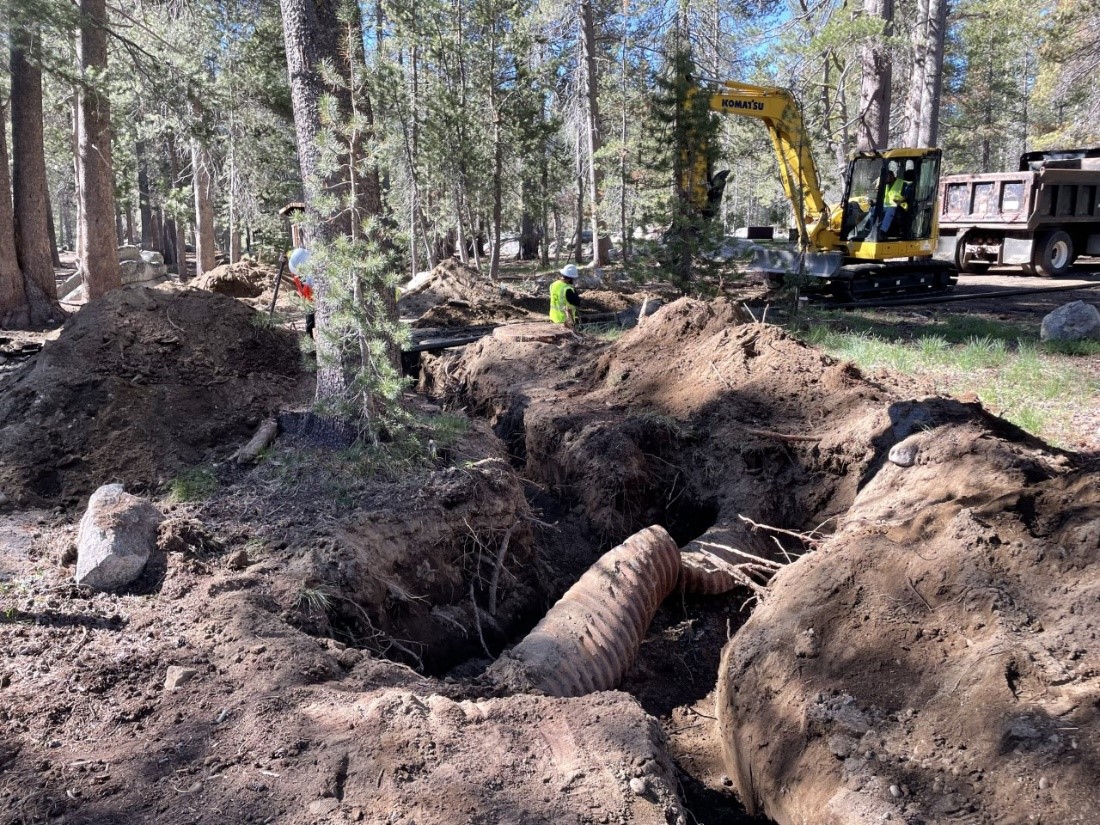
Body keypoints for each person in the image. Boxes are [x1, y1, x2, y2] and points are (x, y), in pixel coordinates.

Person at [288, 247, 315, 338]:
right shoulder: (297, 265)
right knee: (309, 322)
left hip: (313, 301)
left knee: (311, 322)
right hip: (307, 300)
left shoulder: (311, 276)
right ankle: (310, 342)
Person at [879, 169, 907, 237]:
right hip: (886, 206)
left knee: (891, 209)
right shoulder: (885, 185)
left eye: (886, 177)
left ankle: (882, 231)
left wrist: (900, 201)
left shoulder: (903, 184)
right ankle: (868, 229)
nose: (885, 179)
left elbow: (907, 196)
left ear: (892, 176)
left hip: (900, 206)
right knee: (874, 209)